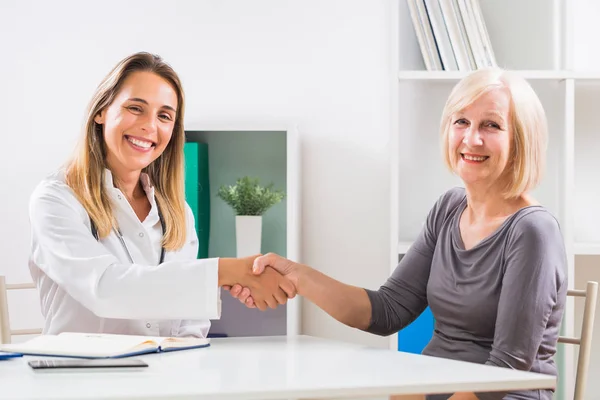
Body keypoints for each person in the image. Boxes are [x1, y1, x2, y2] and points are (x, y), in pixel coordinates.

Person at [226, 68, 568, 400]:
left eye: (491, 125)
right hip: (431, 387)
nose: (471, 138)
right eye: (461, 121)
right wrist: (297, 276)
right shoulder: (449, 208)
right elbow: (388, 310)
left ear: (521, 140)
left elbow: (506, 369)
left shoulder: (533, 231)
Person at [28, 52, 295, 338]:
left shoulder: (178, 213)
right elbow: (105, 288)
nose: (150, 126)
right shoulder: (56, 199)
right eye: (135, 108)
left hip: (164, 376)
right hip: (79, 376)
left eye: (164, 116)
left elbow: (192, 323)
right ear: (101, 111)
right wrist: (223, 271)